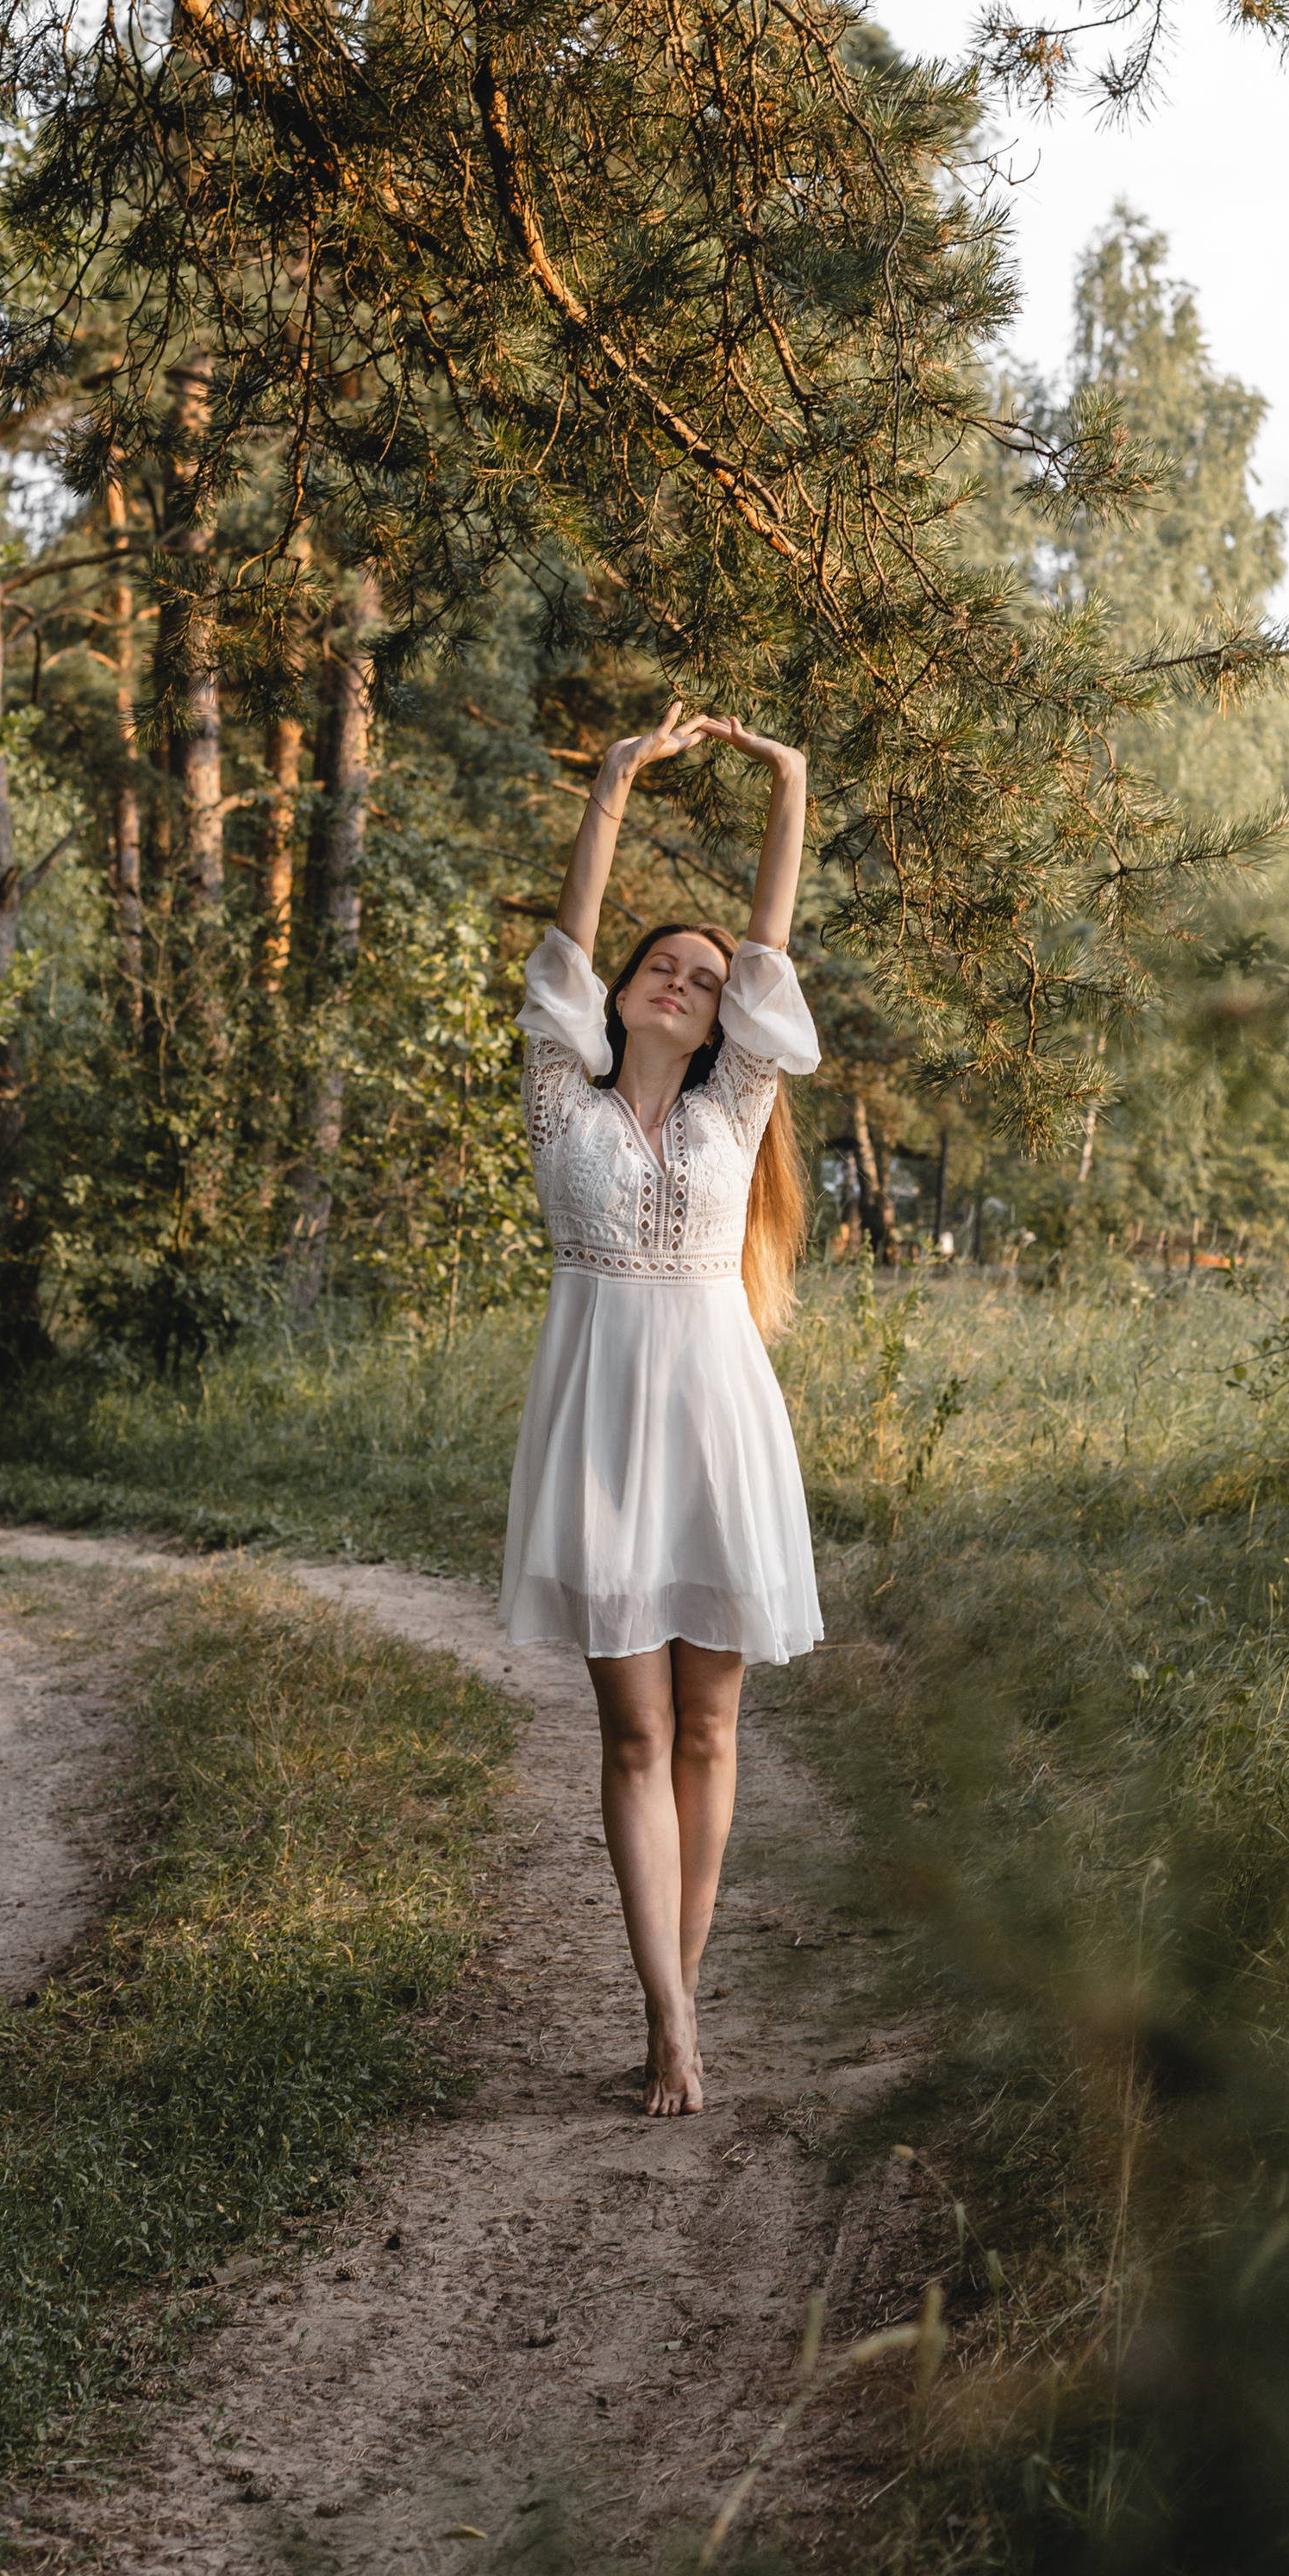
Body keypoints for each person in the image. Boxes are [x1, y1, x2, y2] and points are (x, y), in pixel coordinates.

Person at [498, 703, 822, 2116]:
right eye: (664, 967)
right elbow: (564, 945)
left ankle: (673, 2014)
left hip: (715, 1427)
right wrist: (615, 786)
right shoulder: (555, 1104)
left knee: (709, 1733)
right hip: (599, 1436)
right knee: (632, 1734)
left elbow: (769, 947)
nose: (689, 982)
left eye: (707, 976)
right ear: (625, 993)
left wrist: (788, 793)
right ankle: (671, 2014)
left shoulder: (734, 1108)